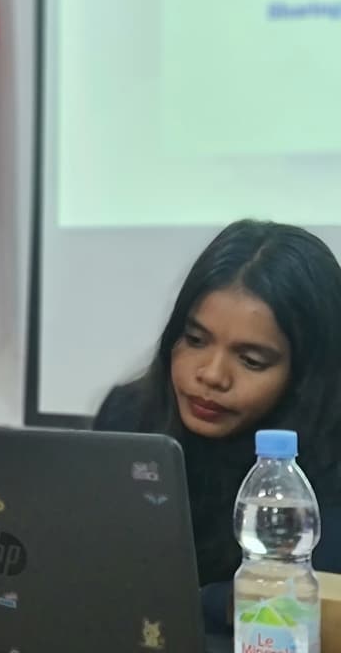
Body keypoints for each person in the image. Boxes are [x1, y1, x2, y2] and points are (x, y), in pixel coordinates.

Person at [94, 219, 341, 631]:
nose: (211, 375)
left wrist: (207, 603)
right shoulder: (129, 416)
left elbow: (307, 599)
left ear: (306, 378)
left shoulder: (329, 457)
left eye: (251, 360)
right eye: (195, 340)